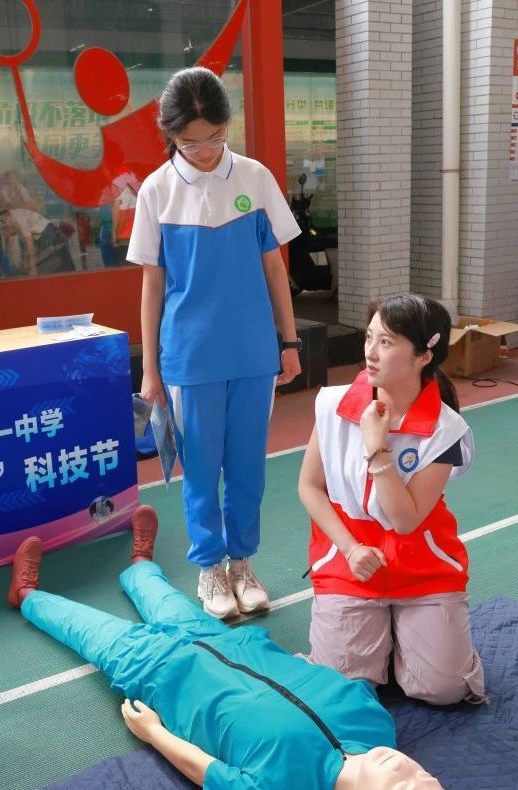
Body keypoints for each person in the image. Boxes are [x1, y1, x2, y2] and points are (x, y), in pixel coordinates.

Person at [5, 506, 461, 790]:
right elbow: (332, 680)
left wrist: (154, 733)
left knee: (86, 629)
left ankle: (27, 594)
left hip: (159, 673)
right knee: (163, 597)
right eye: (423, 774)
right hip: (225, 640)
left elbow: (205, 770)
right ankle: (140, 563)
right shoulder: (376, 725)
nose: (403, 767)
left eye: (399, 788)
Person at [130, 67, 302, 619]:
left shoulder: (255, 176)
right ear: (171, 135)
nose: (205, 152)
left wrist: (290, 341)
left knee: (248, 467)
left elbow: (274, 268)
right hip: (189, 357)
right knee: (201, 470)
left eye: (216, 137)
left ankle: (242, 563)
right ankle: (209, 569)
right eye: (190, 142)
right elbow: (152, 286)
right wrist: (150, 369)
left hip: (253, 353)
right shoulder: (156, 190)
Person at [296, 295, 484, 705]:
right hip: (350, 565)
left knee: (443, 689)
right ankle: (390, 639)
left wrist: (376, 449)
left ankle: (406, 638)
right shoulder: (331, 406)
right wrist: (350, 549)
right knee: (343, 690)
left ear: (424, 355)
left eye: (386, 342)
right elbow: (309, 487)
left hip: (423, 569)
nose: (370, 351)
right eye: (369, 337)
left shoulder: (446, 431)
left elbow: (405, 521)